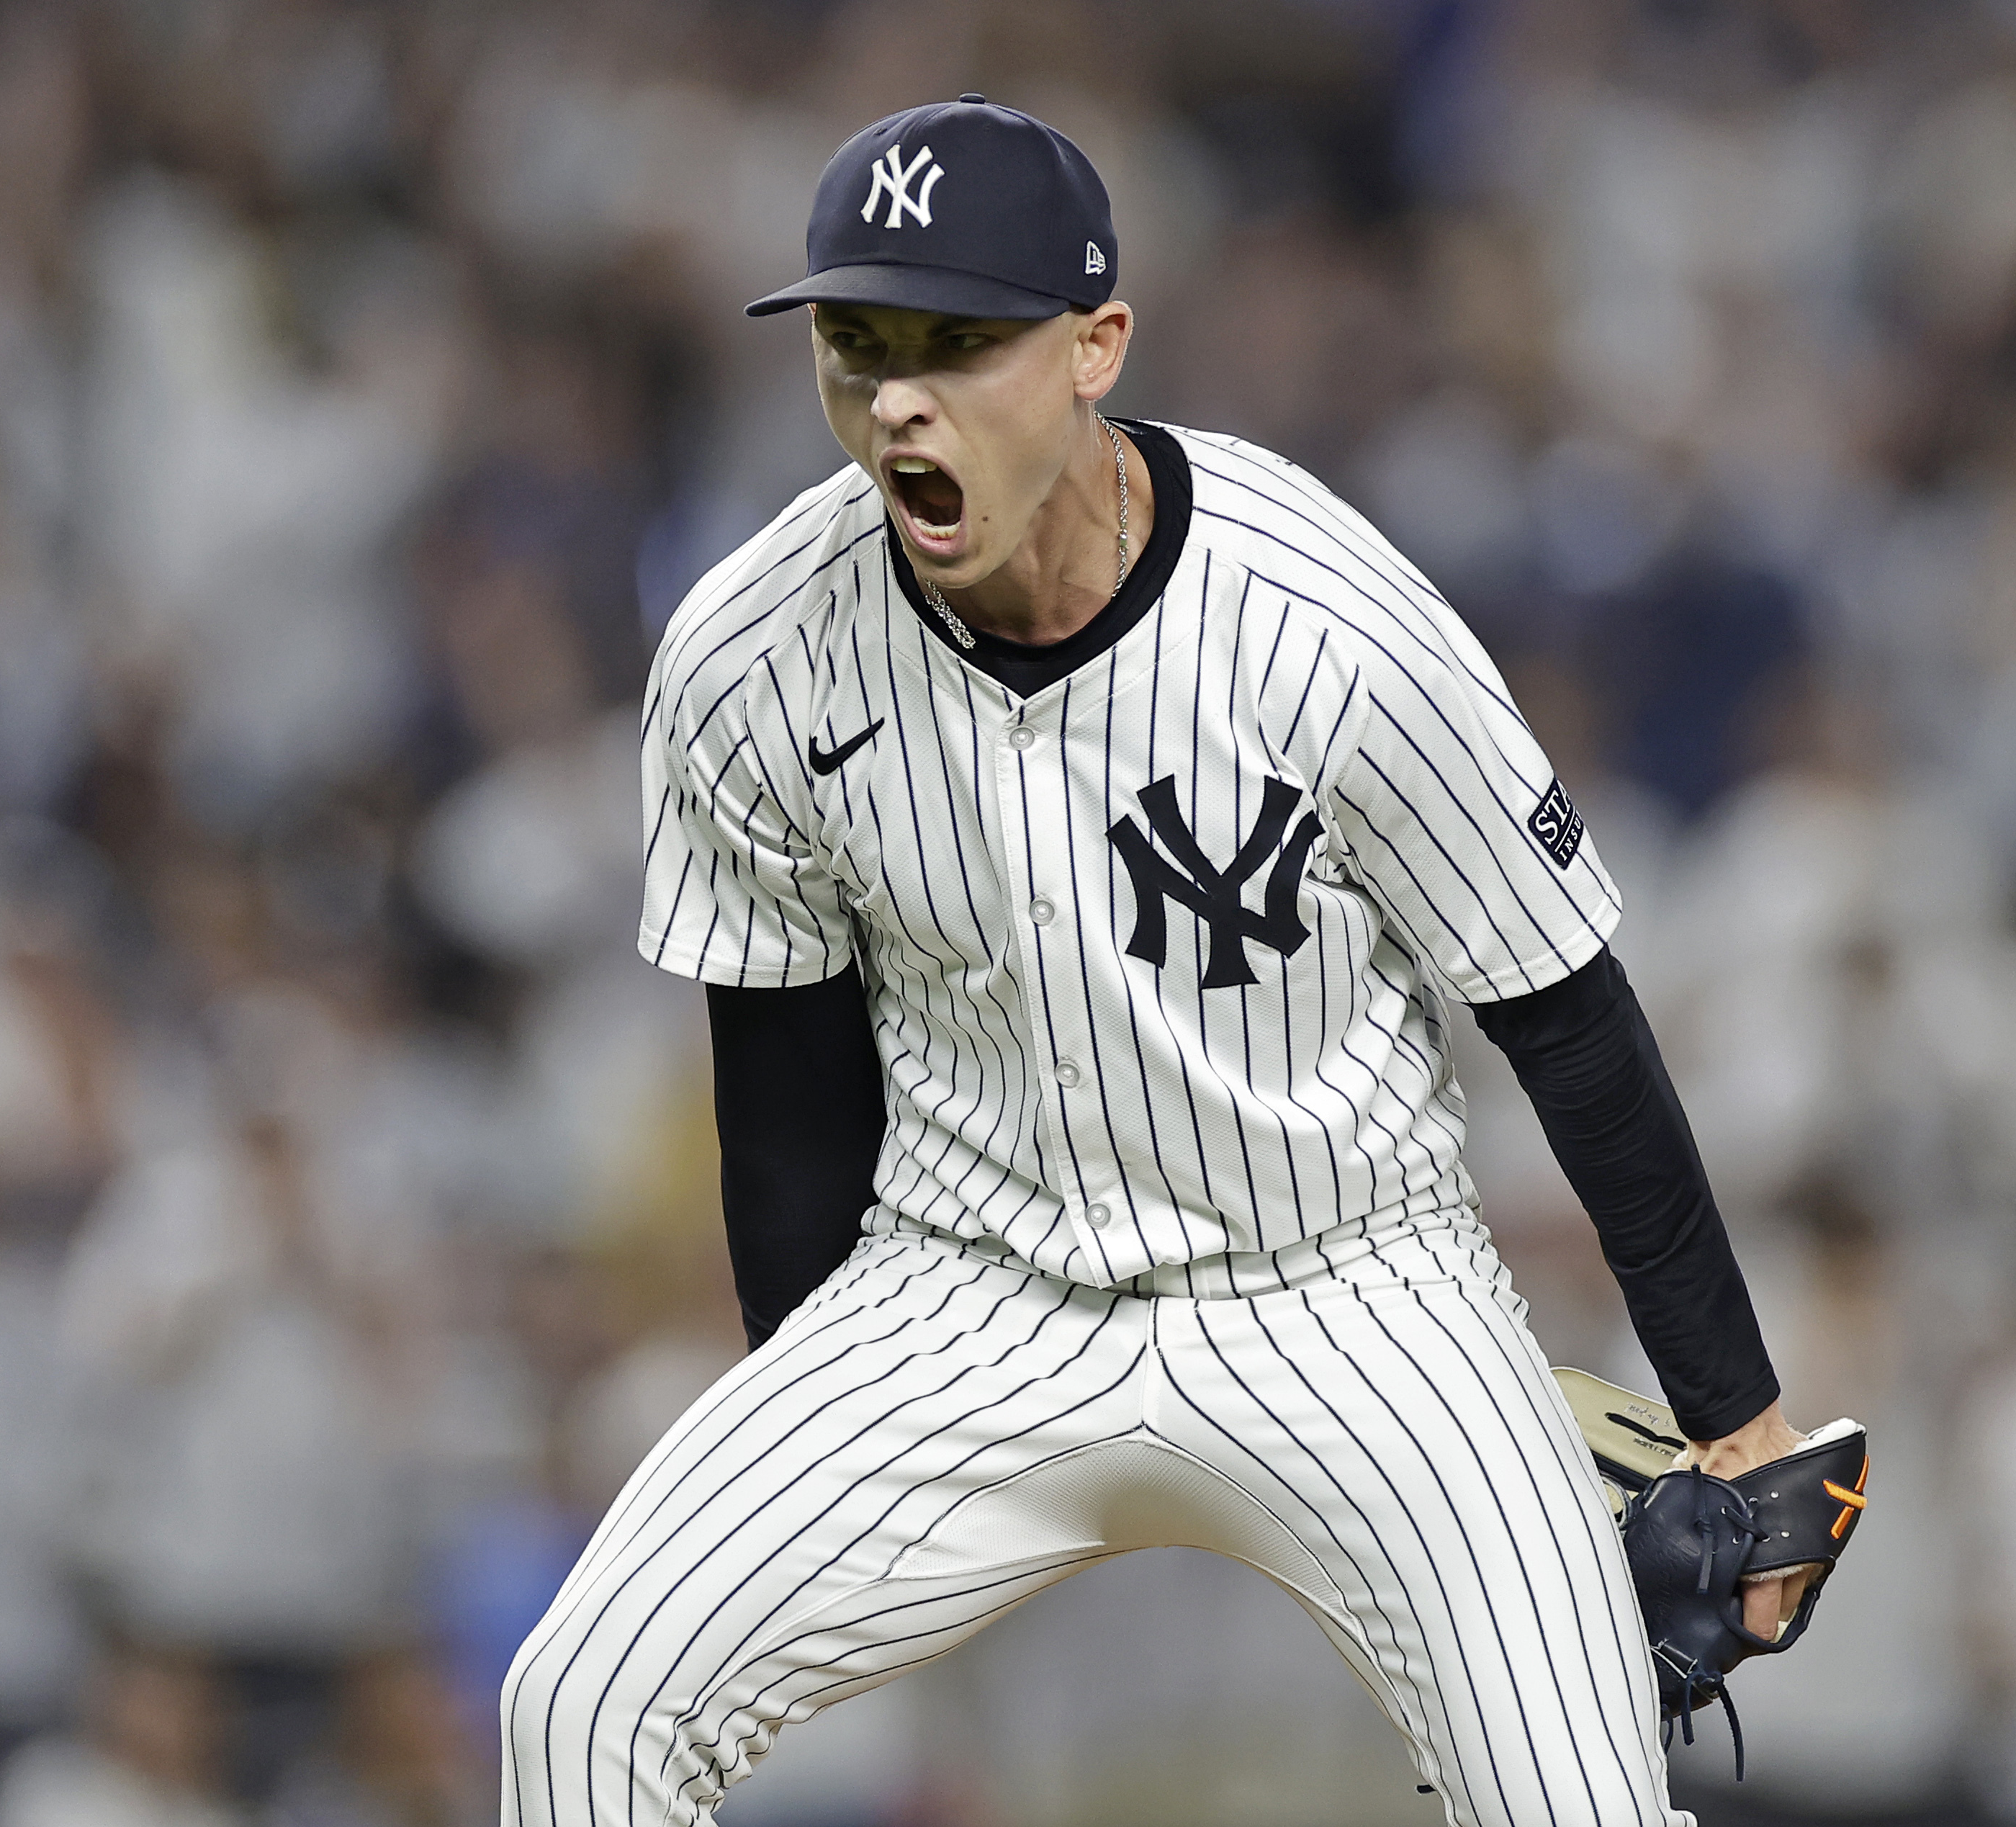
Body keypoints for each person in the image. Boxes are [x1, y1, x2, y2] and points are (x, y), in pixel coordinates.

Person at [503, 95, 1819, 1827]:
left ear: (1094, 347)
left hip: (1344, 1291)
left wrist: (1732, 1414)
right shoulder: (754, 654)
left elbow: (1565, 1022)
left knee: (1579, 1801)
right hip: (961, 1291)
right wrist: (817, 1455)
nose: (895, 397)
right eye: (856, 341)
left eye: (958, 342)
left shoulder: (1325, 620)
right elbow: (790, 1109)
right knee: (580, 1705)